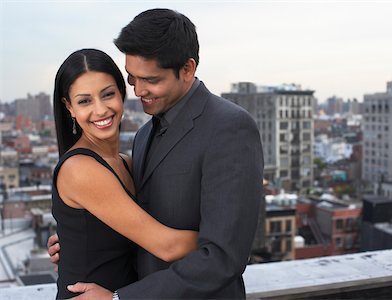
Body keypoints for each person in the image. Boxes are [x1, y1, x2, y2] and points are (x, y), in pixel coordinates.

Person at [49, 8, 264, 299]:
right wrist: (82, 240)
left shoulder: (229, 128)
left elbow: (223, 257)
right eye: (132, 79)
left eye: (150, 79)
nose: (139, 90)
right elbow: (139, 226)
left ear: (187, 69)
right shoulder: (144, 135)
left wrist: (226, 243)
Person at [51, 48, 197, 299]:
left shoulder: (127, 163)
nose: (100, 110)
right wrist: (225, 238)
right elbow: (167, 246)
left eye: (108, 95)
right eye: (85, 101)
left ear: (122, 93)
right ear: (69, 107)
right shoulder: (80, 169)